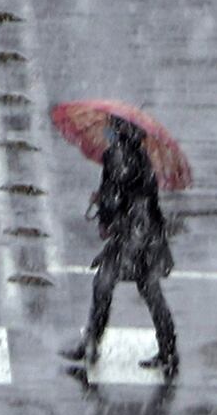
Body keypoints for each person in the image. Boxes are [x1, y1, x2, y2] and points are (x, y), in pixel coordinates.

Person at [68, 118, 178, 381]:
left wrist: (104, 207)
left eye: (112, 129)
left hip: (133, 237)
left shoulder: (116, 156)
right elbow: (137, 196)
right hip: (147, 234)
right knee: (148, 290)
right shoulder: (141, 157)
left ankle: (92, 345)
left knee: (105, 283)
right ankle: (168, 349)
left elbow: (114, 196)